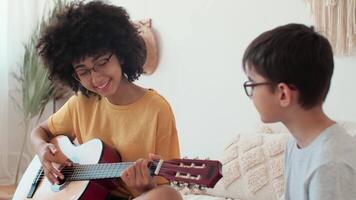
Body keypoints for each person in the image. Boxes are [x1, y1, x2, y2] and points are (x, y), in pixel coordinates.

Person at [30, 1, 182, 200]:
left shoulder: (156, 109)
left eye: (102, 62)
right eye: (83, 71)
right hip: (84, 196)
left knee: (167, 195)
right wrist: (42, 150)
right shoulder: (81, 103)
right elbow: (39, 132)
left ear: (121, 54)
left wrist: (146, 186)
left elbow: (161, 185)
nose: (96, 78)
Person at [241, 23, 356, 200]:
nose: (251, 95)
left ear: (283, 94)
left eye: (252, 84)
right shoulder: (297, 145)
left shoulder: (331, 165)